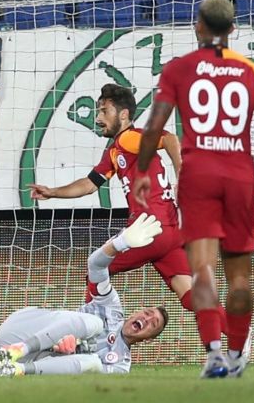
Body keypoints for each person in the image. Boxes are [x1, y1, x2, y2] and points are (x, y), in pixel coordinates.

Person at [132, 0, 254, 379]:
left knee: (202, 270)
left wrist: (142, 172)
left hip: (198, 174)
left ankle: (215, 354)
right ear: (232, 30)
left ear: (198, 26)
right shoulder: (251, 71)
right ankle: (238, 353)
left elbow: (154, 126)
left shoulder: (179, 69)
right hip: (239, 175)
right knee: (240, 278)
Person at [29, 83, 195, 311]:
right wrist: (53, 192)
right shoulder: (115, 151)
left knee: (96, 269)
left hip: (146, 228)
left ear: (124, 115)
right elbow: (89, 184)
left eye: (104, 111)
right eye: (98, 112)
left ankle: (90, 334)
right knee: (190, 295)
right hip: (169, 232)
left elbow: (169, 139)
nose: (98, 118)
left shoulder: (129, 138)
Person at [0, 214, 167, 376]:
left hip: (35, 362)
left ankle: (14, 370)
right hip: (21, 330)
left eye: (153, 323)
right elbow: (95, 265)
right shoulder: (110, 306)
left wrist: (64, 352)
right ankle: (17, 350)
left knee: (93, 363)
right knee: (95, 323)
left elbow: (86, 379)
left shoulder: (121, 366)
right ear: (136, 312)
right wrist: (120, 243)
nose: (147, 319)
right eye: (148, 313)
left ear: (149, 339)